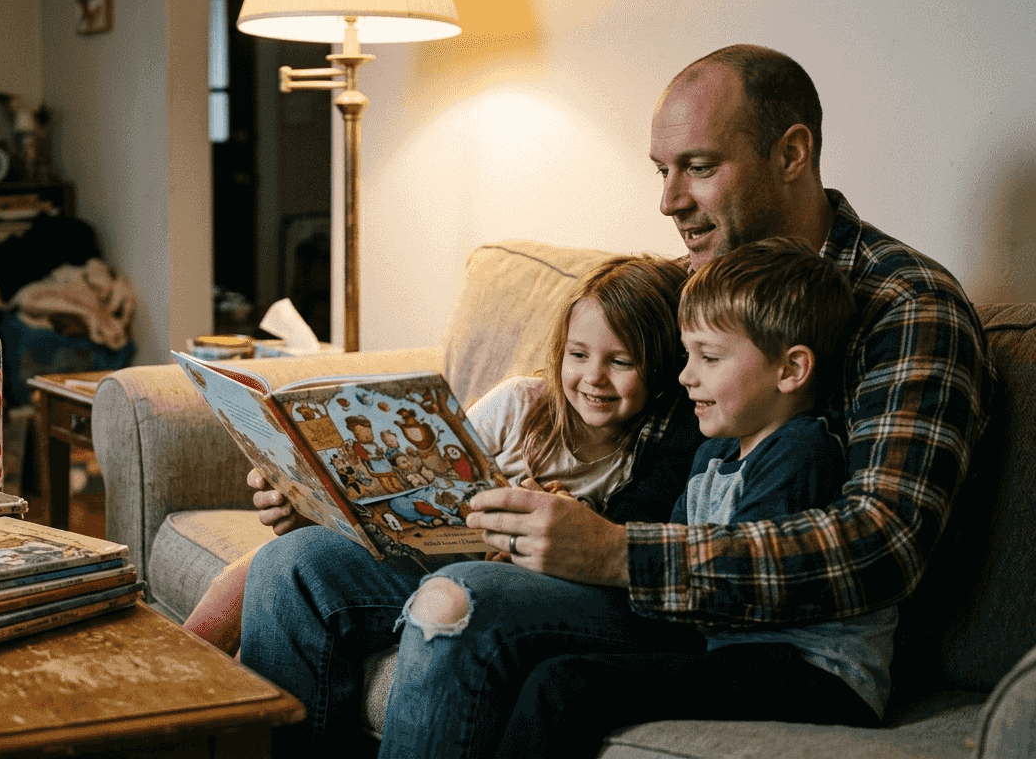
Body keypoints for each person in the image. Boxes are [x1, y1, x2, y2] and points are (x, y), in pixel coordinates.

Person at [250, 42, 995, 755]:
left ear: (792, 154)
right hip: (609, 559)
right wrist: (340, 491)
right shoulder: (689, 285)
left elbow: (882, 545)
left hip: (726, 617)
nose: (669, 201)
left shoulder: (904, 306)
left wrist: (615, 553)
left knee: (466, 600)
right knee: (298, 567)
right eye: (662, 170)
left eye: (698, 168)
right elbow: (587, 426)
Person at [236, 256, 706, 755]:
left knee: (454, 593)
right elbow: (424, 479)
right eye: (579, 354)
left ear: (660, 369)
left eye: (621, 361)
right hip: (439, 548)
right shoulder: (521, 405)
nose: (594, 377)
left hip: (517, 582)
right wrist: (310, 503)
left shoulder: (659, 449)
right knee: (288, 563)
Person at [496, 237, 896, 755]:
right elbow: (674, 566)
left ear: (791, 370)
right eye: (688, 355)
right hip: (740, 650)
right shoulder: (713, 453)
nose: (686, 377)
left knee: (566, 684)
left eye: (709, 357)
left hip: (814, 671)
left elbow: (745, 598)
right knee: (547, 658)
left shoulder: (800, 451)